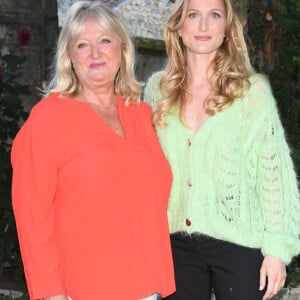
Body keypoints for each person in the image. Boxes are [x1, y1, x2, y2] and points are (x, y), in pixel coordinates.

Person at [11, 2, 175, 299]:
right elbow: (32, 216)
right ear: (69, 58)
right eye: (82, 45)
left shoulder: (141, 114)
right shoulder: (48, 119)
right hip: (83, 289)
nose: (95, 53)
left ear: (122, 49)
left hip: (148, 287)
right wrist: (51, 293)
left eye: (104, 41)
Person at [144, 0, 300, 299]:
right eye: (193, 15)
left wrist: (277, 250)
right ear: (179, 26)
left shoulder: (252, 93)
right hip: (173, 244)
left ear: (226, 28)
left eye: (214, 15)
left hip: (239, 242)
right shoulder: (156, 91)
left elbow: (273, 175)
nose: (203, 26)